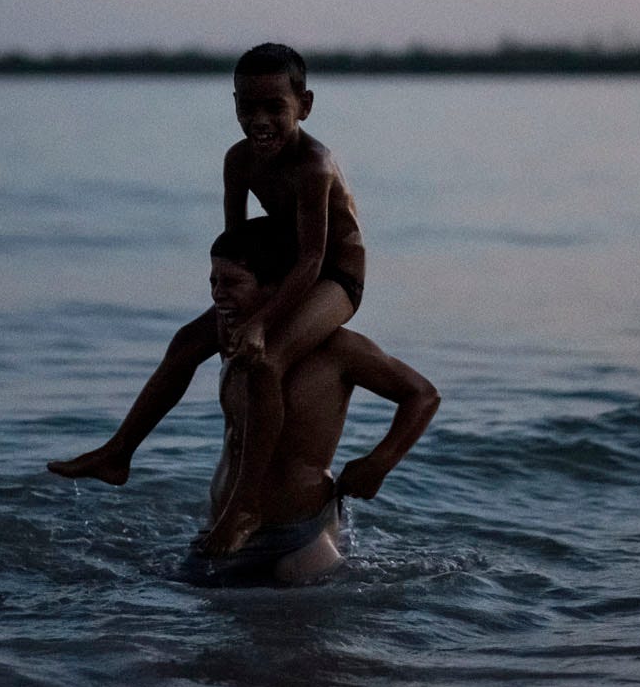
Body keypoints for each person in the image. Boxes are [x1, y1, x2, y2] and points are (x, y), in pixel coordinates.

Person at [51, 217, 439, 586]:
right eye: (213, 282)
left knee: (302, 642)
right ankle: (117, 455)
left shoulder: (339, 351)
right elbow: (182, 350)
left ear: (277, 290)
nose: (218, 295)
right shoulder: (229, 336)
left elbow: (422, 395)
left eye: (232, 283)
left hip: (301, 536)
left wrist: (379, 462)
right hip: (224, 529)